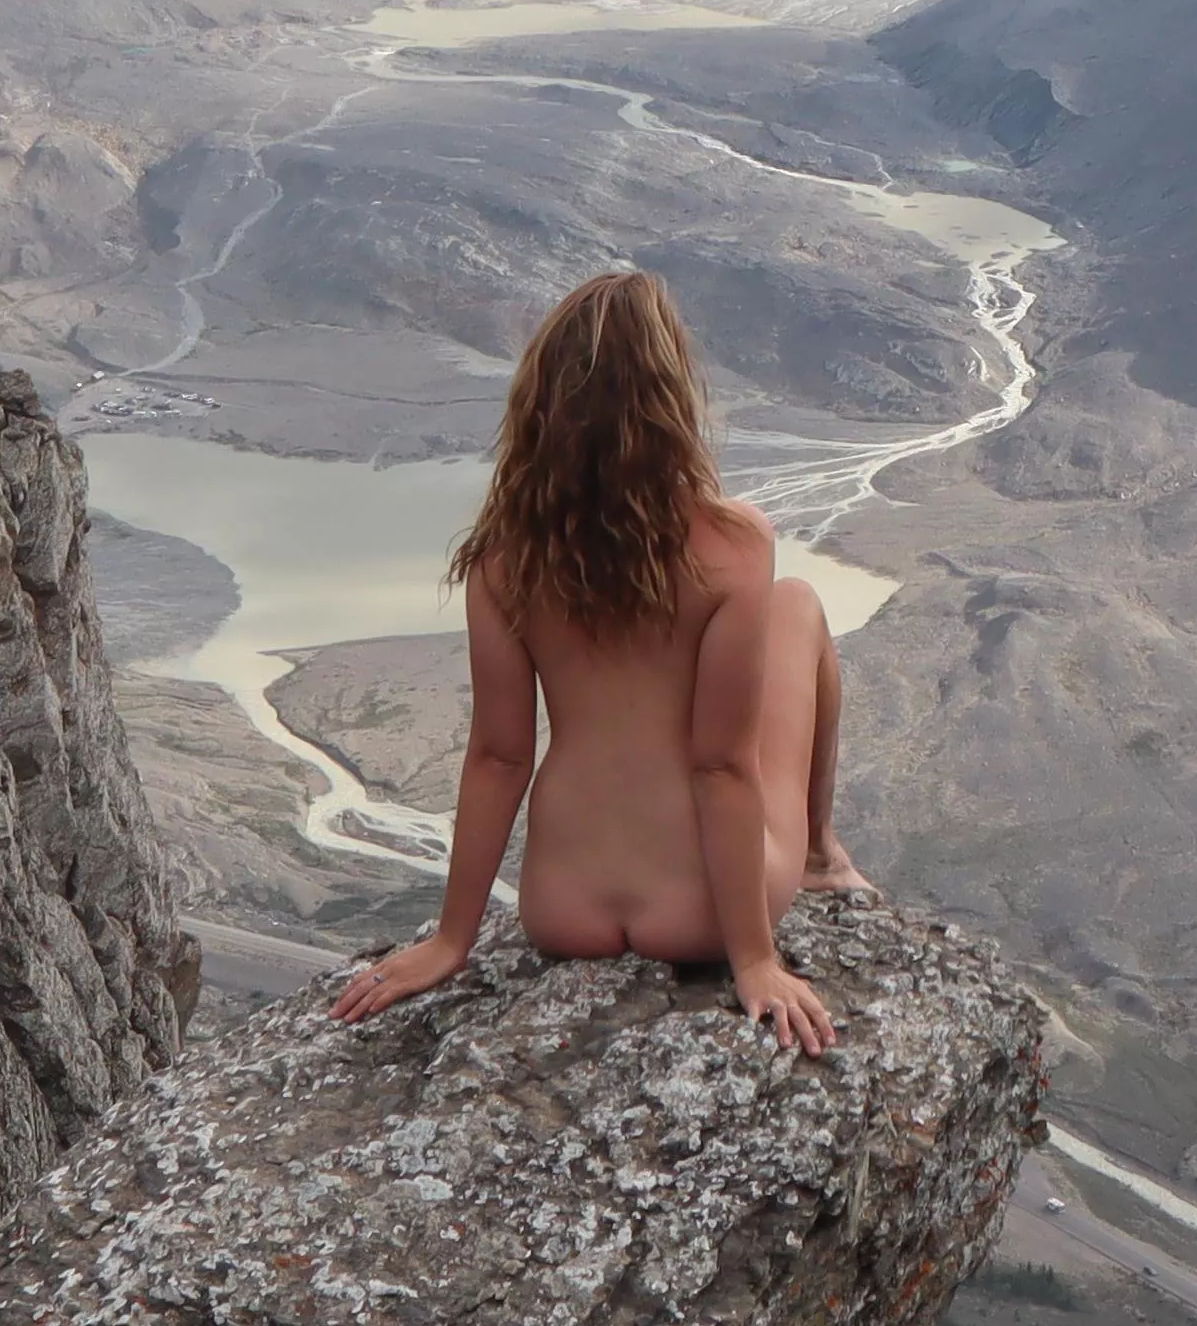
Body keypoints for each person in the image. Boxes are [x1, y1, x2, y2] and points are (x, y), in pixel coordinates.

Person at [325, 269, 874, 1055]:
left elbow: (499, 755)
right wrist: (754, 959)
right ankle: (821, 853)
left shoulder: (502, 560)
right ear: (670, 401)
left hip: (562, 909)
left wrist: (452, 940)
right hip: (703, 913)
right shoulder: (733, 544)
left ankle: (812, 856)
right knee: (798, 605)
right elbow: (720, 766)